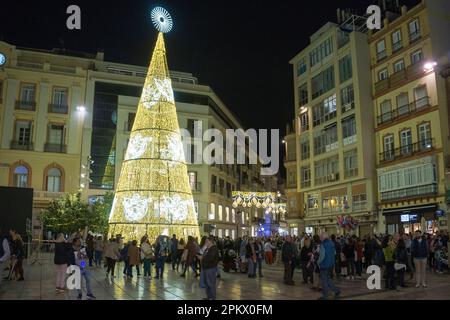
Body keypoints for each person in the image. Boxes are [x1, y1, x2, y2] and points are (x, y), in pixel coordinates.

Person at [318, 232, 340, 300]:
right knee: (328, 279)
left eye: (320, 237)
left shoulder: (323, 244)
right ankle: (336, 291)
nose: (320, 238)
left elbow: (322, 256)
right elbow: (335, 253)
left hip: (324, 265)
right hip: (331, 264)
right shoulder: (331, 243)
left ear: (323, 237)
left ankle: (325, 296)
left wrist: (318, 262)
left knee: (324, 281)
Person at [197, 236, 219, 300]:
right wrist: (204, 247)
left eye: (207, 241)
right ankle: (209, 297)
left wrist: (202, 258)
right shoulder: (207, 248)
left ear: (210, 241)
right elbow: (200, 253)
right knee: (207, 284)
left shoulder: (214, 248)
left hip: (211, 268)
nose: (205, 243)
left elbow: (211, 258)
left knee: (211, 283)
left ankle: (212, 298)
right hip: (205, 268)